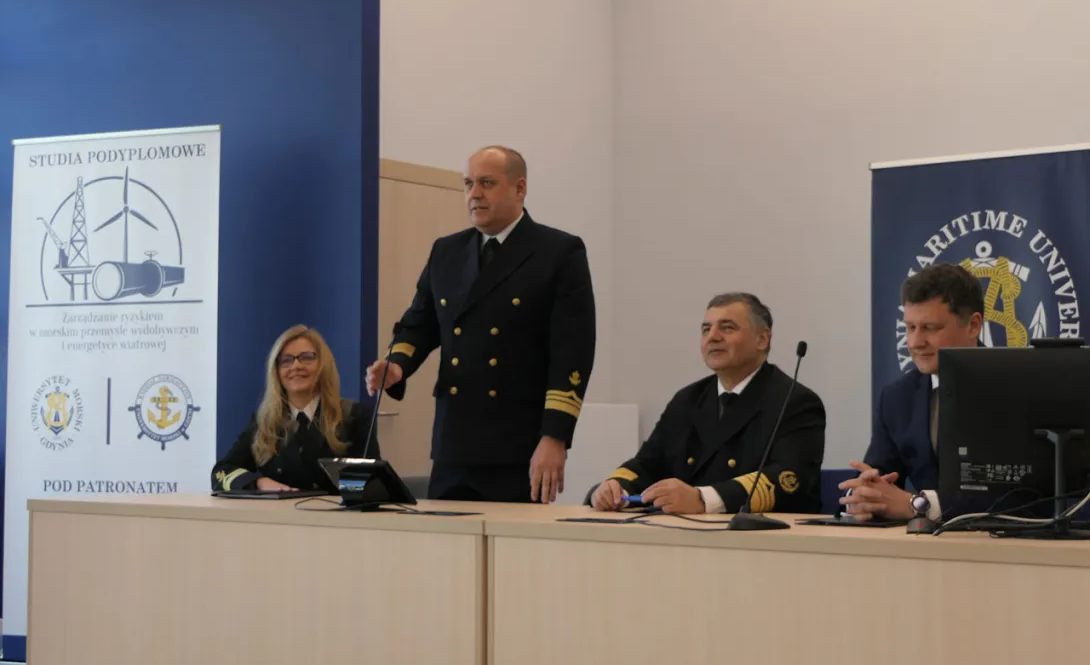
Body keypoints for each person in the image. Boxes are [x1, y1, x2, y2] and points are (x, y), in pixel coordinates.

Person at [366, 145, 596, 504]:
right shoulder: (446, 251)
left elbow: (572, 354)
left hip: (518, 445)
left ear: (520, 188)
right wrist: (396, 365)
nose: (474, 194)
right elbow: (418, 323)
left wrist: (555, 436)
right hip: (453, 443)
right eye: (468, 183)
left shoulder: (558, 252)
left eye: (486, 183)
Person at [590, 293, 825, 514]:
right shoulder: (688, 400)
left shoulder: (795, 401)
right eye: (706, 329)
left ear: (762, 339)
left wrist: (703, 499)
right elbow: (647, 464)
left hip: (763, 537)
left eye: (727, 327)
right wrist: (616, 488)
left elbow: (787, 480)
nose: (712, 337)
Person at [839, 263, 983, 522]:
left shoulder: (1016, 388)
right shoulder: (897, 398)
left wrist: (917, 505)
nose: (915, 342)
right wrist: (863, 493)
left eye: (931, 328)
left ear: (973, 325)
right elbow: (879, 477)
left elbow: (1024, 497)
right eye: (910, 327)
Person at [212, 325, 379, 492]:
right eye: (286, 360)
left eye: (306, 357)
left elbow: (371, 483)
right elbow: (222, 472)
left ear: (323, 365)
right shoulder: (264, 422)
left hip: (332, 509)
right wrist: (259, 483)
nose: (296, 366)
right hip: (278, 509)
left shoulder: (354, 416)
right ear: (276, 371)